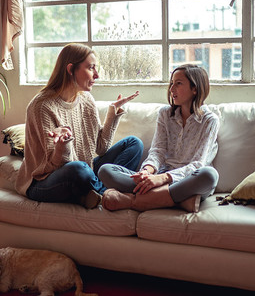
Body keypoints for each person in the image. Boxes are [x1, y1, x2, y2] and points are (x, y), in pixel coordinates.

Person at [14, 43, 143, 209]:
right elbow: (54, 166)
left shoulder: (86, 100)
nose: (96, 75)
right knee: (78, 168)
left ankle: (93, 194)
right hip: (44, 181)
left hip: (84, 173)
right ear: (70, 69)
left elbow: (101, 148)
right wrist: (62, 145)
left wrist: (113, 113)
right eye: (91, 68)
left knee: (133, 144)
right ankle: (111, 195)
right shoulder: (42, 106)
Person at [98, 64, 220, 213]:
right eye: (171, 84)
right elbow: (158, 150)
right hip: (160, 179)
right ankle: (178, 201)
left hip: (187, 180)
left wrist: (163, 179)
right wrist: (147, 172)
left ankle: (133, 201)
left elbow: (198, 164)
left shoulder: (210, 120)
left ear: (195, 88)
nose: (171, 89)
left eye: (178, 84)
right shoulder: (165, 114)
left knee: (209, 175)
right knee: (106, 170)